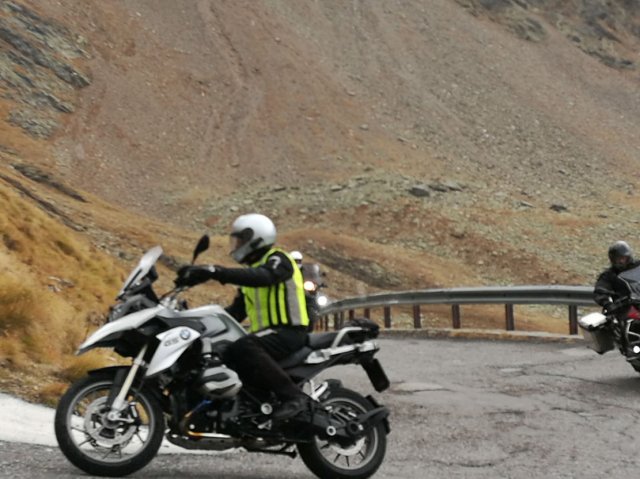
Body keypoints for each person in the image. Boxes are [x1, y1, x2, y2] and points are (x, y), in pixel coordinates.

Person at [175, 213, 310, 420]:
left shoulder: (278, 260)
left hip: (289, 332)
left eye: (240, 241)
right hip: (267, 336)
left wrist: (215, 271)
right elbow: (235, 313)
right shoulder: (252, 274)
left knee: (245, 345)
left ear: (256, 239)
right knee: (220, 352)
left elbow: (265, 277)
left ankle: (294, 397)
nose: (236, 246)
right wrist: (199, 324)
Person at [593, 241, 640, 311]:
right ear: (613, 260)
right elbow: (600, 291)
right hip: (624, 309)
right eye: (618, 259)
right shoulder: (609, 275)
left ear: (628, 257)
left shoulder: (637, 266)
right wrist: (608, 304)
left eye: (623, 258)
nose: (621, 261)